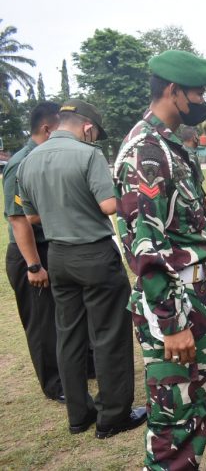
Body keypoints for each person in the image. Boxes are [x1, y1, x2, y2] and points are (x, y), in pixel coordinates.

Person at [114, 50, 206, 469]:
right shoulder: (148, 152)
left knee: (192, 410)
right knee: (176, 416)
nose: (202, 100)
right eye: (198, 92)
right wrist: (173, 324)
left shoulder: (169, 145)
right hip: (174, 300)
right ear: (173, 91)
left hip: (194, 292)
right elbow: (146, 249)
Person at [17, 99, 145, 438]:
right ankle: (113, 415)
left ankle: (78, 414)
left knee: (69, 335)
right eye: (95, 134)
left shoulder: (29, 159)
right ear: (88, 127)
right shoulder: (89, 156)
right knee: (109, 335)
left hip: (57, 255)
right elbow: (108, 206)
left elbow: (31, 217)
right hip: (94, 254)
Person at [3, 101, 63, 403]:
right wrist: (33, 265)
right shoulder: (22, 162)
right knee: (41, 323)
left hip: (49, 246)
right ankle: (54, 384)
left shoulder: (44, 157)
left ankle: (75, 369)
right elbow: (18, 219)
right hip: (30, 252)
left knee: (59, 315)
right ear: (47, 128)